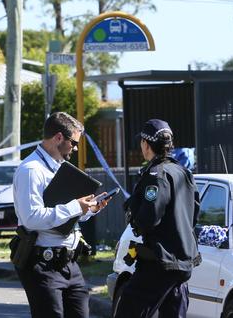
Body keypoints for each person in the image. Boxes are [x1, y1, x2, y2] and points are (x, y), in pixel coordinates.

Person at [12, 111, 109, 318]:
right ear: (58, 138)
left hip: (69, 262)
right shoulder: (31, 170)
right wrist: (75, 206)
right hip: (43, 262)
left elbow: (62, 215)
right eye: (73, 143)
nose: (75, 149)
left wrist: (87, 210)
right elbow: (32, 218)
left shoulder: (61, 168)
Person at [114, 119, 200, 318]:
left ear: (146, 144)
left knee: (128, 310)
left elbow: (149, 218)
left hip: (159, 263)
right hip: (182, 264)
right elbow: (193, 213)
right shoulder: (184, 172)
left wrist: (133, 214)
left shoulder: (156, 175)